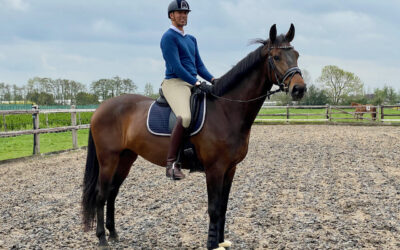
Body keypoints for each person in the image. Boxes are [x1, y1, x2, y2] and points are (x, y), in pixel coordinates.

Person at [161, 0, 215, 180]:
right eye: (179, 13)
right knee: (185, 117)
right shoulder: (168, 37)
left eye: (186, 13)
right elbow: (176, 67)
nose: (183, 16)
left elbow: (199, 65)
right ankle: (171, 164)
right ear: (171, 15)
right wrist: (197, 83)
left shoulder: (191, 39)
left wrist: (214, 79)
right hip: (175, 83)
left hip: (192, 82)